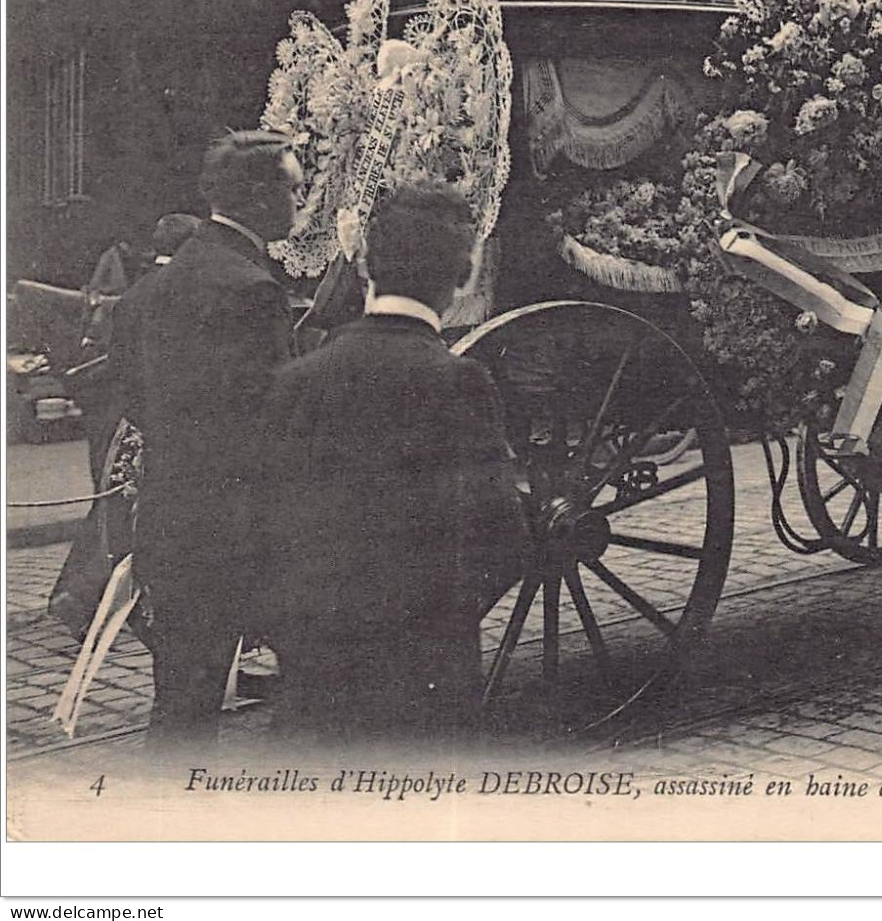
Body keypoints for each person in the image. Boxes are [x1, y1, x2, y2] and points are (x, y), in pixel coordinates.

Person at [249, 183, 527, 747]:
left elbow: (255, 533)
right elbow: (503, 540)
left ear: (367, 266)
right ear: (463, 276)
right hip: (424, 689)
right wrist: (435, 628)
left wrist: (303, 641)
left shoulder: (295, 381)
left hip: (313, 687)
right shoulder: (458, 382)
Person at [109, 131, 300, 753]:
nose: (299, 203)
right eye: (293, 188)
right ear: (260, 197)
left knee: (182, 704)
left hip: (169, 515)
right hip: (240, 529)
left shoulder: (155, 288)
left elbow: (133, 400)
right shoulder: (254, 290)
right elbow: (274, 421)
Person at [49, 213, 202, 642]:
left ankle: (80, 601)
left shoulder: (137, 292)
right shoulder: (177, 294)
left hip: (114, 418)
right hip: (141, 422)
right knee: (125, 516)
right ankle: (87, 604)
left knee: (112, 510)